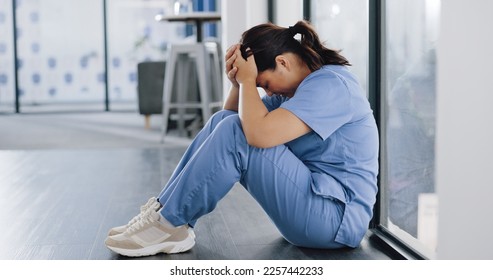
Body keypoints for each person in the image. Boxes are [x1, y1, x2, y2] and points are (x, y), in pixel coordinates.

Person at [105, 20, 379, 257]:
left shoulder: (331, 86)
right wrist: (239, 84)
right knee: (223, 121)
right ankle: (163, 215)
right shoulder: (294, 90)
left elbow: (253, 135)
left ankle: (169, 224)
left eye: (265, 84)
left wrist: (250, 83)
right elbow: (230, 119)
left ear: (282, 62)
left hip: (334, 222)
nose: (268, 94)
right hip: (314, 209)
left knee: (237, 131)